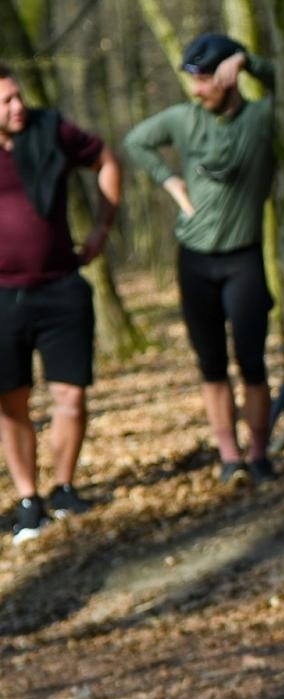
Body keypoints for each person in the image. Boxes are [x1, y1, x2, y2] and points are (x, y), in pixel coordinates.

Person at [124, 33, 277, 486]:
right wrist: (171, 183)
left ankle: (260, 455)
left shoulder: (261, 119)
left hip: (242, 261)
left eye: (204, 79)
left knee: (251, 361)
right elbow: (135, 142)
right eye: (191, 79)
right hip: (194, 261)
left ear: (227, 77)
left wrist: (249, 62)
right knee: (210, 364)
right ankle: (230, 459)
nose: (195, 89)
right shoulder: (183, 119)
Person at [0, 65, 120, 543]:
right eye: (6, 101)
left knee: (71, 396)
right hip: (3, 296)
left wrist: (100, 229)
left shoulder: (51, 130)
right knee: (12, 403)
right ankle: (29, 500)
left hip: (60, 288)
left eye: (18, 96)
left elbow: (108, 161)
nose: (18, 107)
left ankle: (64, 488)